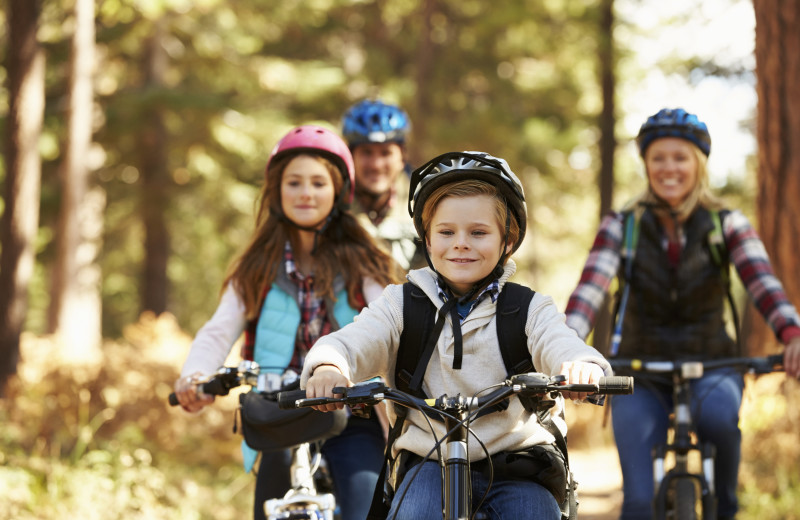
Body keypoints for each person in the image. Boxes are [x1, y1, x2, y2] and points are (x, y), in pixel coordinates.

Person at [301, 151, 612, 520]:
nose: (461, 243)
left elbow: (560, 343)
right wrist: (328, 366)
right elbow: (354, 340)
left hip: (518, 463)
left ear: (506, 241)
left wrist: (581, 366)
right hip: (430, 460)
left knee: (535, 512)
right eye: (446, 232)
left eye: (478, 233)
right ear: (428, 241)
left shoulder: (527, 308)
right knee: (412, 512)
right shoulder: (401, 304)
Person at [564, 108, 800, 520]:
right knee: (638, 502)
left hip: (714, 363)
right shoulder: (623, 224)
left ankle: (724, 507)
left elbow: (764, 286)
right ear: (646, 164)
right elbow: (589, 292)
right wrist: (565, 348)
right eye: (658, 158)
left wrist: (792, 334)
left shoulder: (727, 223)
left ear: (698, 164)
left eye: (680, 157)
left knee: (721, 425)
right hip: (637, 369)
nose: (668, 167)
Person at [173, 125, 404, 520]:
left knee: (367, 502)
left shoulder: (363, 259)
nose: (306, 193)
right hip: (280, 409)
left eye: (318, 182)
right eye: (293, 182)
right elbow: (218, 329)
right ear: (277, 191)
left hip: (353, 411)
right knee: (273, 504)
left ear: (337, 191)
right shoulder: (257, 265)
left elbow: (392, 318)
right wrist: (195, 375)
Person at [341, 99, 426, 271]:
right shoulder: (330, 207)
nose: (376, 165)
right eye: (366, 152)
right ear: (350, 156)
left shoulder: (427, 207)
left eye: (386, 153)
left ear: (402, 157)